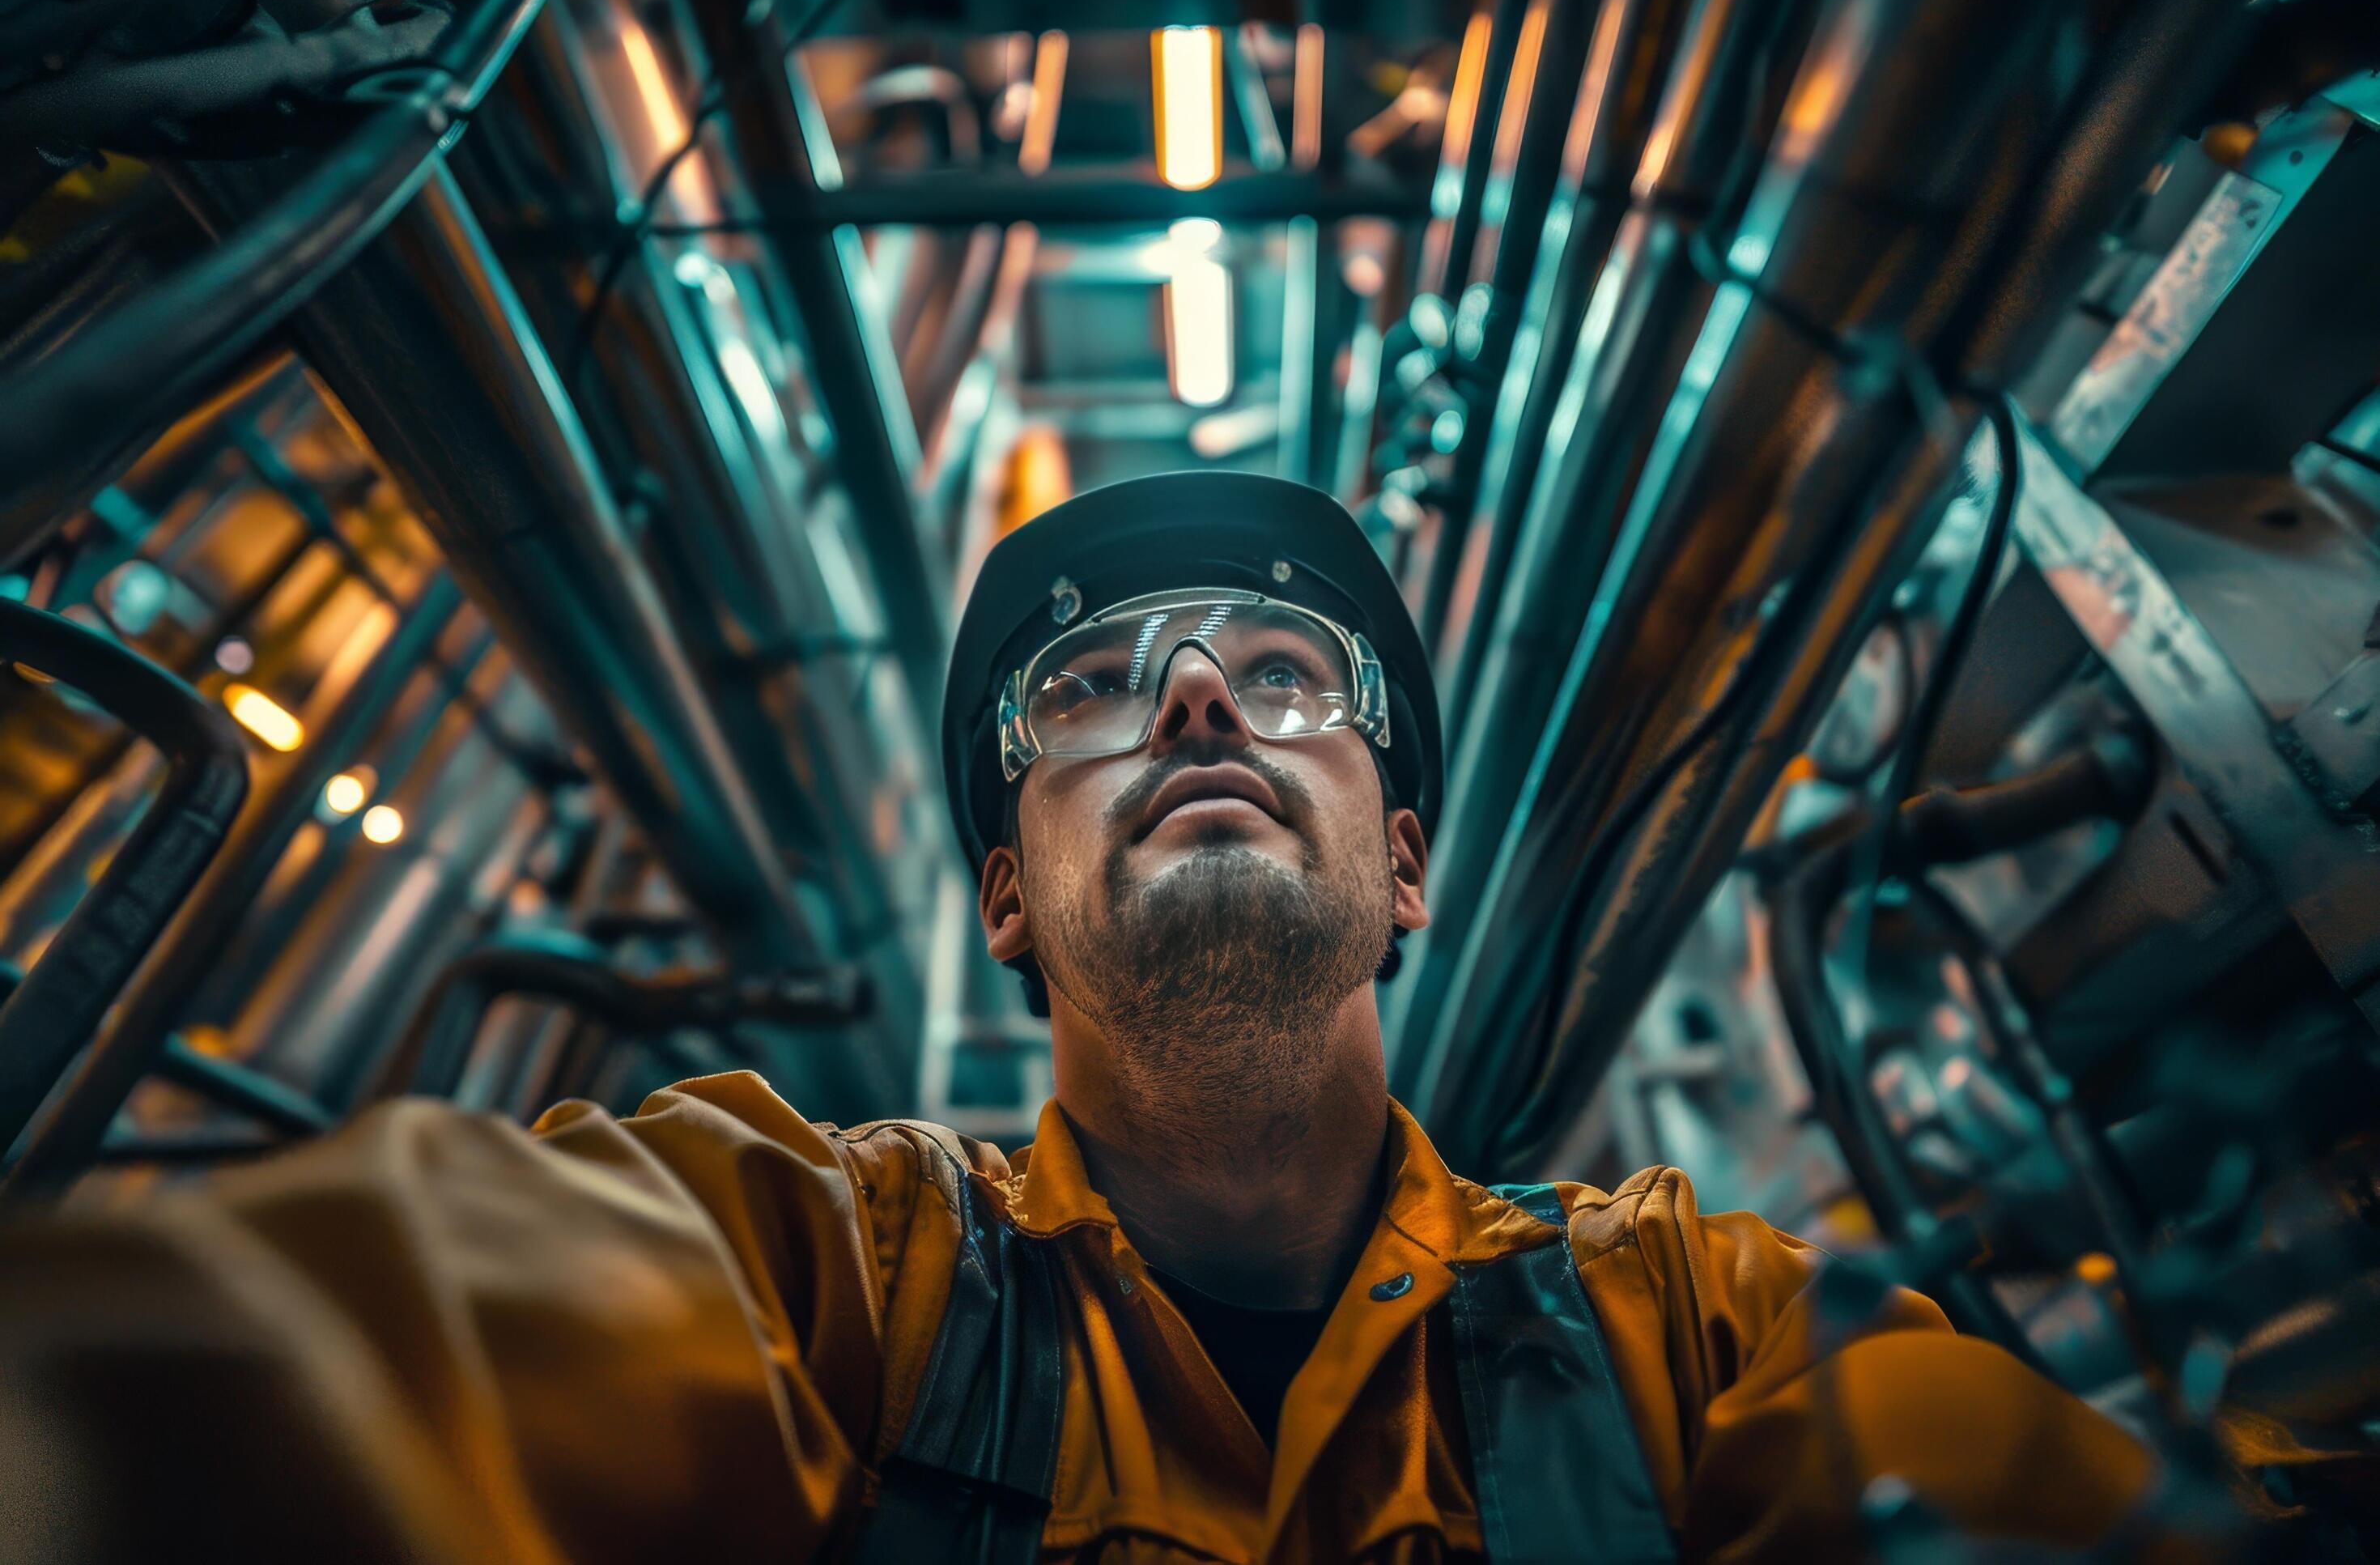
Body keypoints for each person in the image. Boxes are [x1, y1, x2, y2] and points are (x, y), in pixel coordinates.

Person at [0, 473, 2159, 1563]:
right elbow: (342, 1362)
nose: (1199, 694)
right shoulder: (815, 1264)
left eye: (1276, 674)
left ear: (1401, 870)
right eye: (1091, 689)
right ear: (1008, 901)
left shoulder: (1693, 1331)